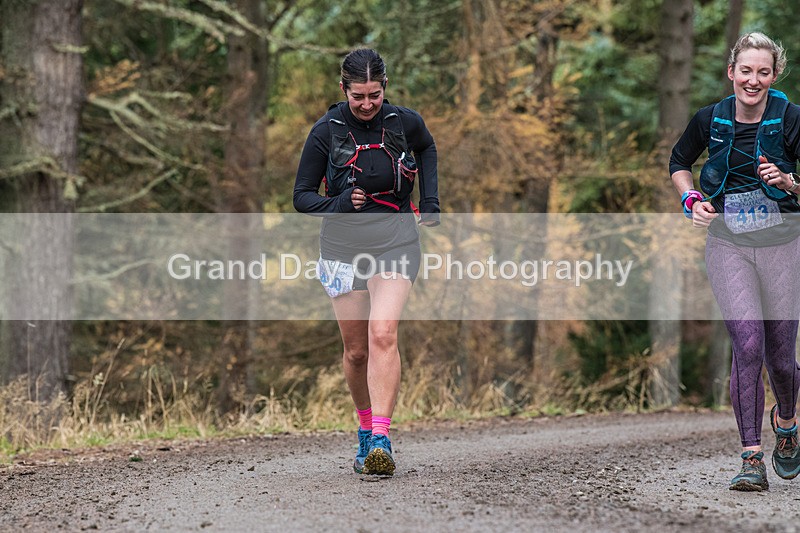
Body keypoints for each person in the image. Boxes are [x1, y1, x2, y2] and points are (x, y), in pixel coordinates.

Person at [293, 49, 440, 476]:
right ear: (344, 89)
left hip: (396, 240)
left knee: (383, 333)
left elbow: (427, 147)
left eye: (375, 95)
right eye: (358, 95)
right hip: (341, 249)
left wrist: (429, 201)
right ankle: (363, 430)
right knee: (356, 352)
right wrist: (339, 202)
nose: (367, 104)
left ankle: (381, 438)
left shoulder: (403, 122)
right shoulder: (325, 130)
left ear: (385, 88)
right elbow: (301, 197)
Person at [670, 32, 800, 491]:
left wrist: (789, 182)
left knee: (782, 360)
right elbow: (679, 161)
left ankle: (786, 425)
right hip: (727, 243)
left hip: (784, 244)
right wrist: (690, 199)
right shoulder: (710, 119)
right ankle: (751, 458)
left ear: (774, 75)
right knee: (747, 345)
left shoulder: (792, 119)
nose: (753, 79)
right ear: (731, 72)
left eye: (763, 71)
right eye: (745, 70)